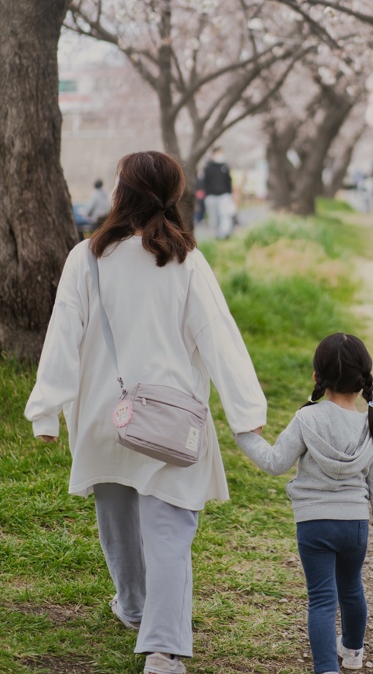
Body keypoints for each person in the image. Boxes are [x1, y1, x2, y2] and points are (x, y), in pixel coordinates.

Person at [25, 151, 267, 674]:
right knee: (168, 533)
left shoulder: (86, 257)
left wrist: (45, 412)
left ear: (120, 193)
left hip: (102, 417)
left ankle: (132, 606)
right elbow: (219, 338)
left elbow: (62, 338)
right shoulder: (185, 261)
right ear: (173, 195)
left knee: (116, 521)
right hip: (170, 420)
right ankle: (161, 649)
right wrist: (246, 412)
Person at [235, 332, 373, 674]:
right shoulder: (372, 426)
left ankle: (326, 668)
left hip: (314, 524)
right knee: (351, 588)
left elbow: (276, 462)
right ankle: (353, 652)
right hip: (354, 526)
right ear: (362, 379)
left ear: (317, 377)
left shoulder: (307, 418)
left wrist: (245, 436)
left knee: (322, 599)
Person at [199, 146, 235, 239]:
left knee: (225, 215)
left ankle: (225, 234)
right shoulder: (208, 167)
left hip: (224, 195)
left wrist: (230, 194)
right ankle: (217, 235)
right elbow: (203, 182)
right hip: (211, 196)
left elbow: (229, 181)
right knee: (214, 218)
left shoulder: (225, 166)